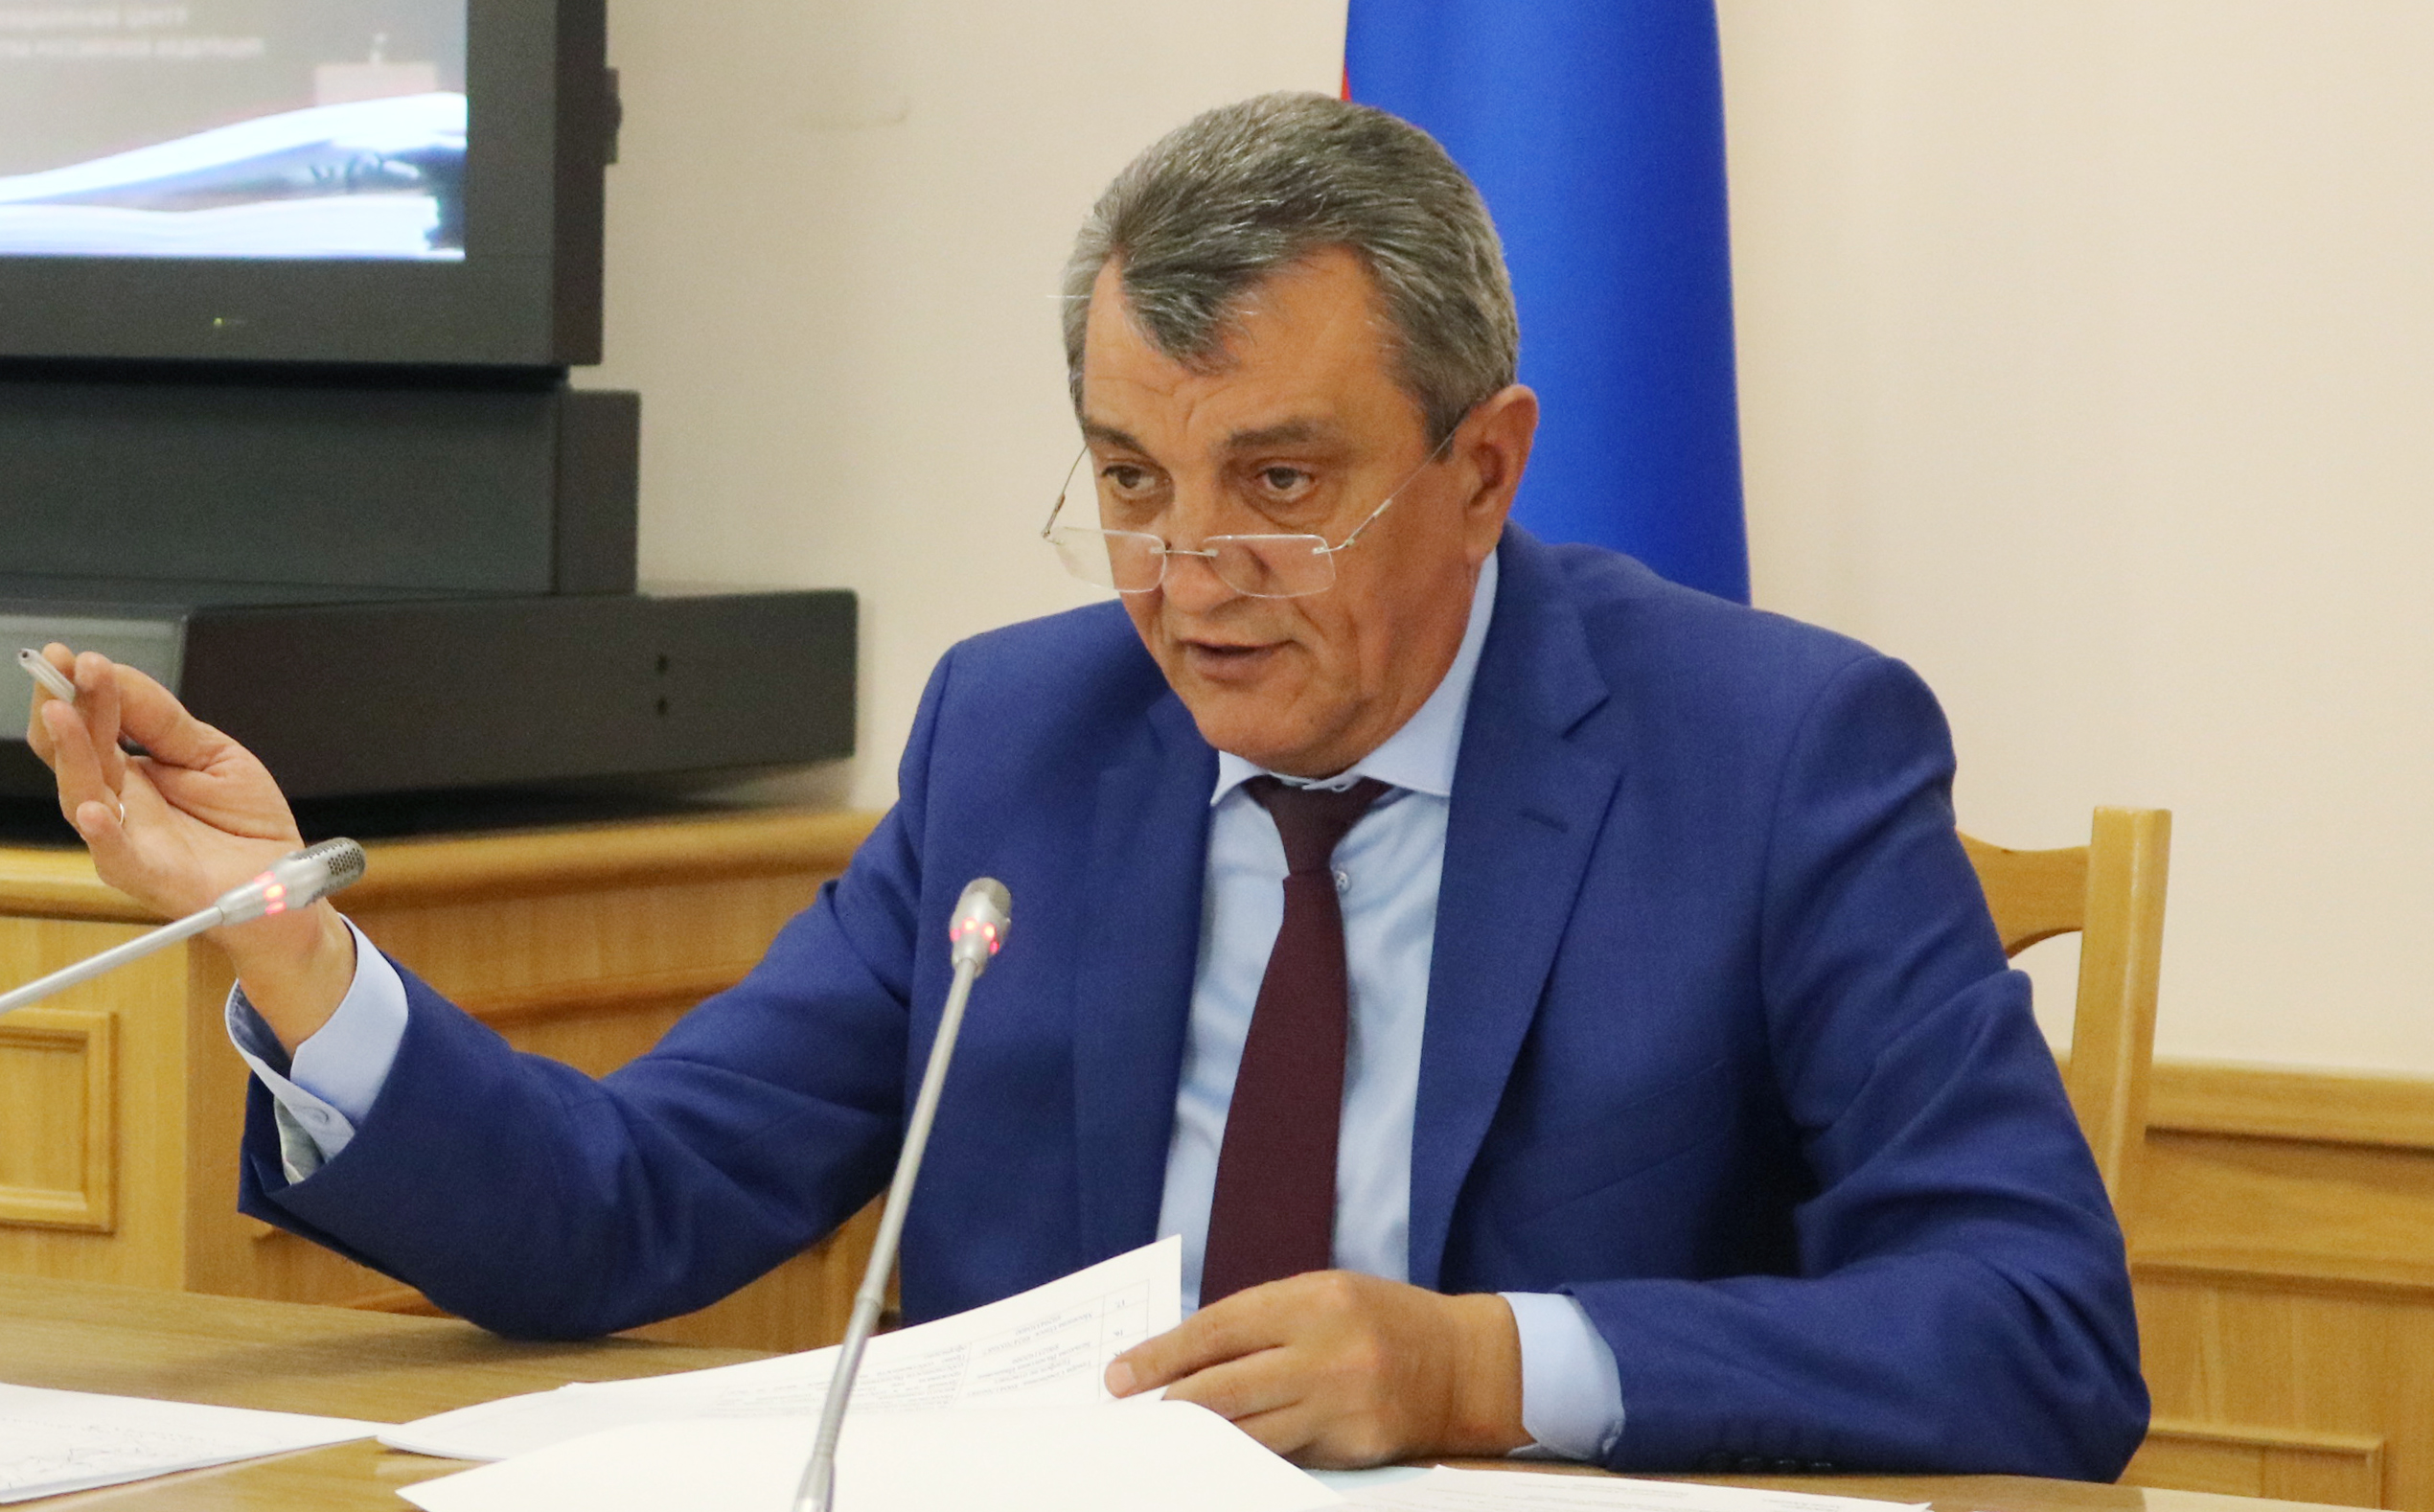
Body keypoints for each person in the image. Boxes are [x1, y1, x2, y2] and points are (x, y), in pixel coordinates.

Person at [23, 93, 2147, 1476]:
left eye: (1281, 485)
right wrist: (293, 944)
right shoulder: (1021, 739)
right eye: (1131, 482)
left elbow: (2038, 1329)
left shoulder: (1771, 754)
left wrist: (1487, 1368)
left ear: (1482, 469)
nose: (1190, 579)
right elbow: (626, 1204)